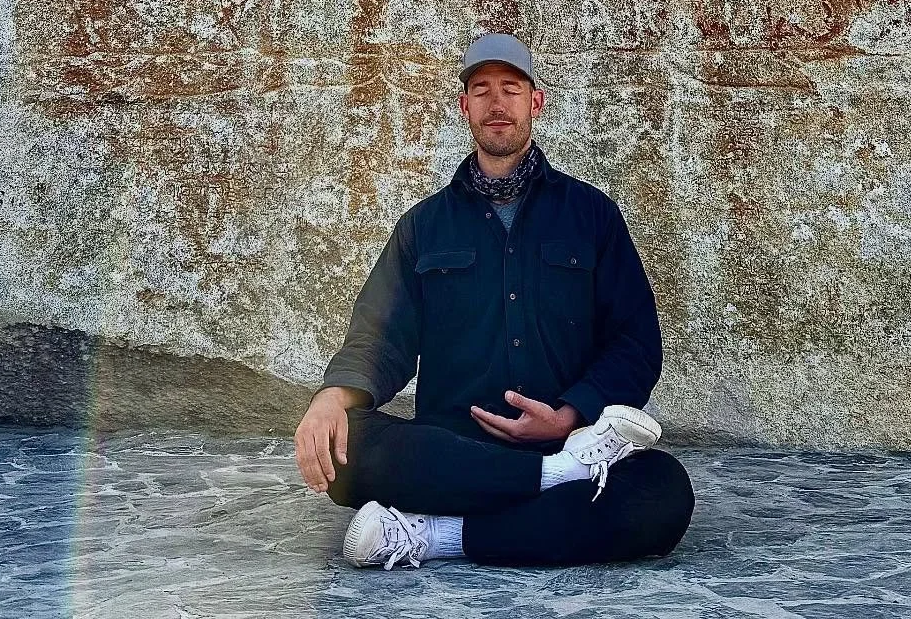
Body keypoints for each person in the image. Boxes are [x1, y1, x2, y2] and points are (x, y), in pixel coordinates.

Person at [293, 34, 694, 571]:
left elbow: (635, 342)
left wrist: (569, 416)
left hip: (566, 440)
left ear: (537, 102)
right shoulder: (423, 227)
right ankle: (555, 487)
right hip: (454, 453)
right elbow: (379, 337)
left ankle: (438, 535)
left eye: (511, 88)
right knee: (346, 448)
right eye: (481, 90)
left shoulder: (592, 216)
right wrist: (330, 400)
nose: (497, 103)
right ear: (465, 108)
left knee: (663, 491)